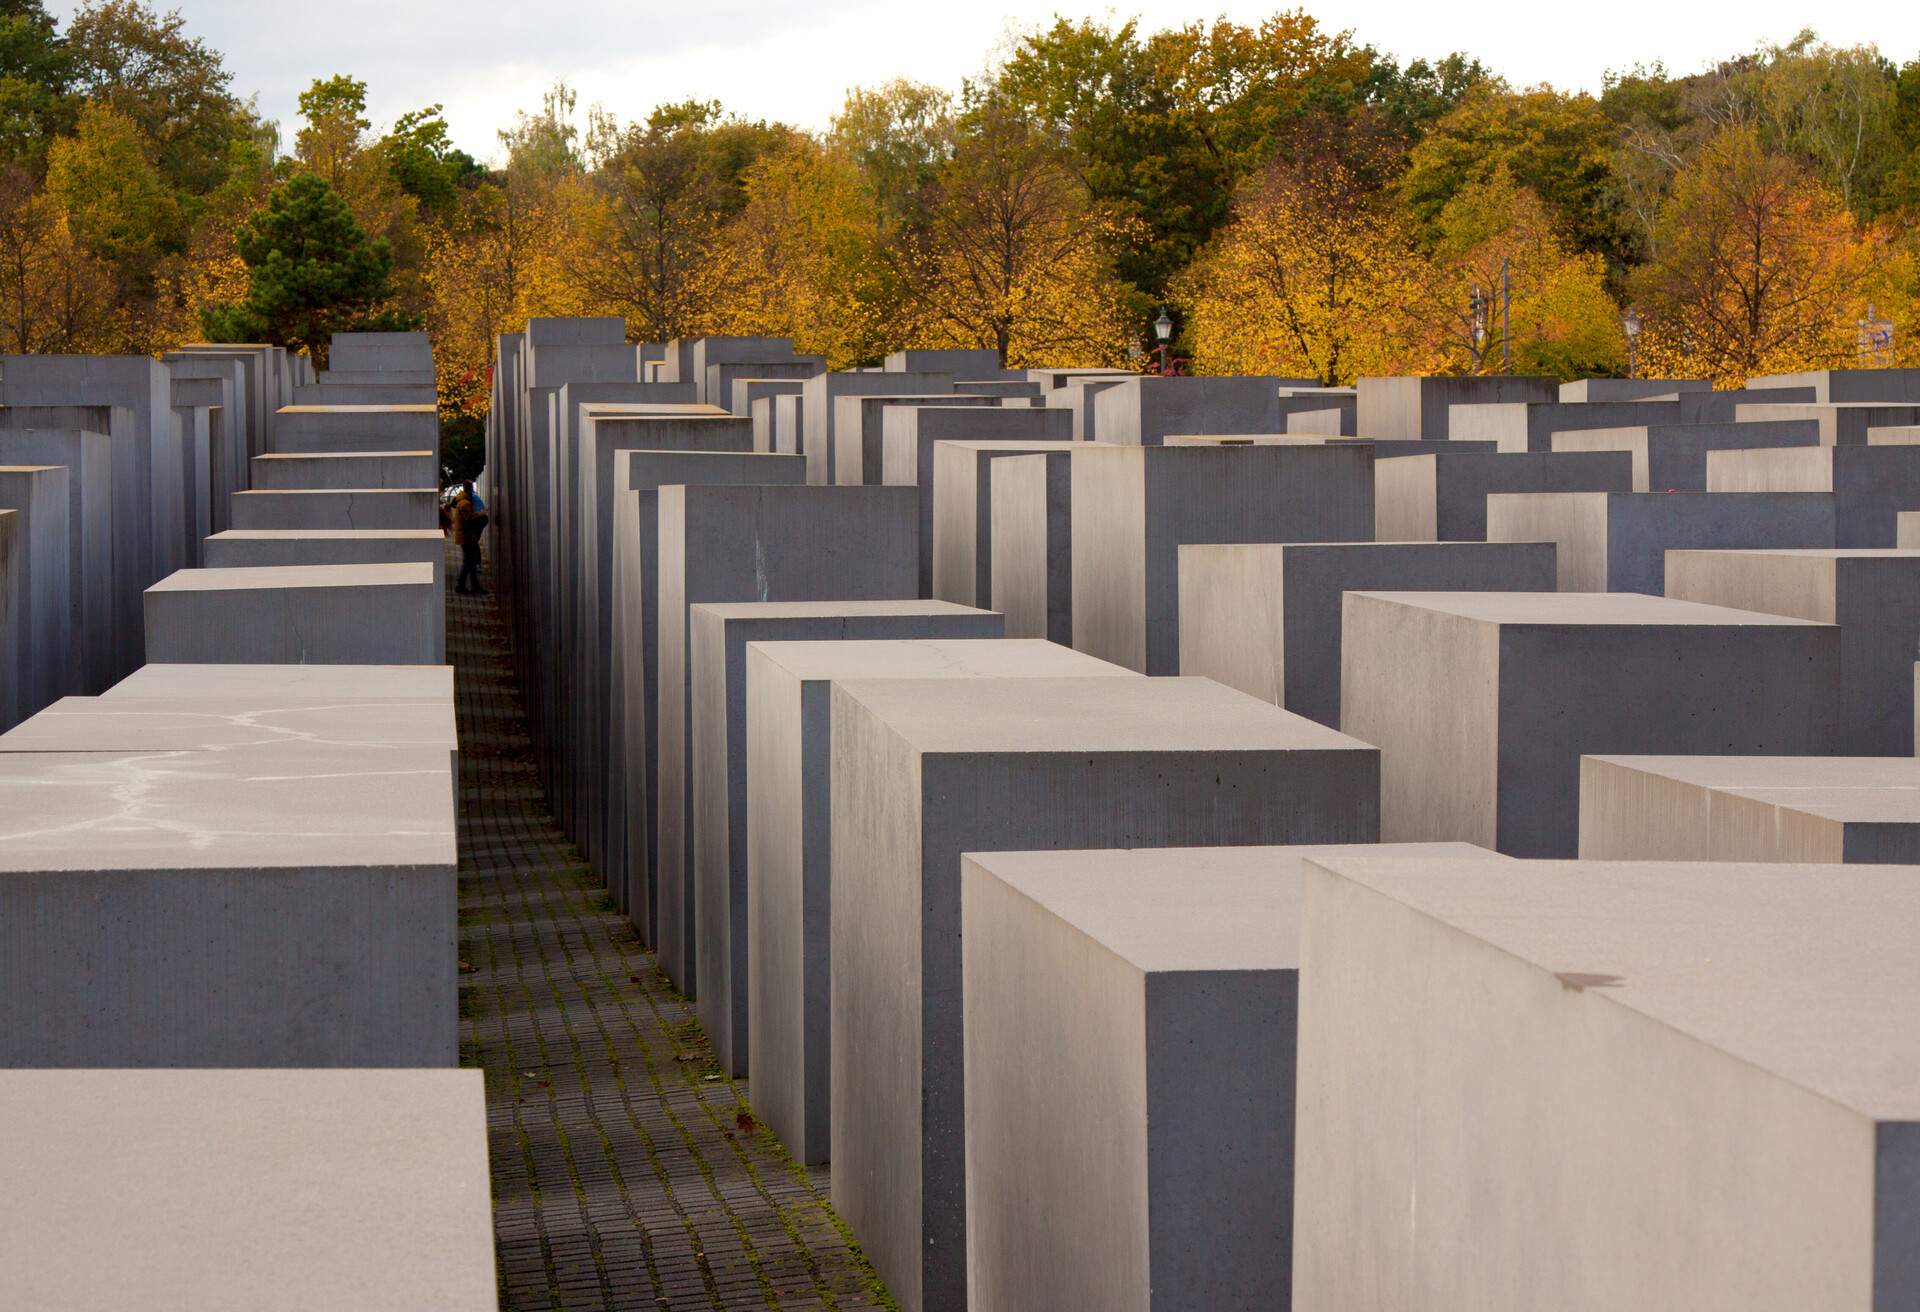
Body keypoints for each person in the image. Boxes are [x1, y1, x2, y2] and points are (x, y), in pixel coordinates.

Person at [450, 480, 488, 595]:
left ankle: (473, 586)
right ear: (470, 489)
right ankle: (460, 586)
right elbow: (470, 519)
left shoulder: (462, 501)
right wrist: (481, 514)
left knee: (470, 563)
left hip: (466, 536)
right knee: (468, 562)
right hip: (467, 537)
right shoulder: (465, 503)